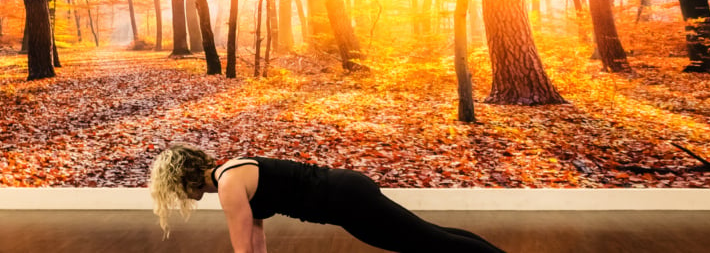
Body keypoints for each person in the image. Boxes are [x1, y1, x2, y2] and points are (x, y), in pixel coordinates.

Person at [149, 144, 505, 253]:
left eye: (176, 189)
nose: (182, 196)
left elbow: (242, 249)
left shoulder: (228, 187)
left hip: (344, 199)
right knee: (427, 235)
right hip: (345, 195)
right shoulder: (232, 173)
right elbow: (256, 238)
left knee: (428, 241)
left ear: (185, 179)